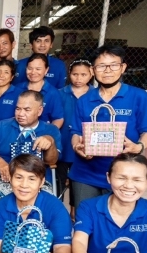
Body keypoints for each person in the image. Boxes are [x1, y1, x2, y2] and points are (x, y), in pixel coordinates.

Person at [69, 45, 147, 208]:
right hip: (86, 173)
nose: (108, 70)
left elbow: (145, 131)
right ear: (93, 70)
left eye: (113, 65)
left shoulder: (138, 97)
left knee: (116, 225)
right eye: (101, 66)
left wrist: (138, 147)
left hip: (124, 175)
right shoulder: (84, 100)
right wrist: (77, 146)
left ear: (123, 67)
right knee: (86, 222)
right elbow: (76, 131)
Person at [0, 90, 61, 239]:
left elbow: (52, 161)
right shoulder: (2, 126)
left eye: (27, 109)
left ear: (40, 110)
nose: (21, 113)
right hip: (2, 176)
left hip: (34, 180)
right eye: (18, 108)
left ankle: (34, 242)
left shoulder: (50, 130)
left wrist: (50, 143)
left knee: (47, 201)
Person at [57, 59, 93, 217]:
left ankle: (75, 215)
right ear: (69, 74)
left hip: (86, 148)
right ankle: (58, 213)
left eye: (83, 74)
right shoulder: (60, 93)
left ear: (91, 74)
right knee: (59, 181)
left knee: (79, 185)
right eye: (75, 74)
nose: (79, 78)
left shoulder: (95, 95)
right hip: (63, 145)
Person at [19, 53, 64, 128]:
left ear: (46, 70)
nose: (33, 72)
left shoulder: (53, 93)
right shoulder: (17, 89)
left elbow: (58, 119)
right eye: (30, 68)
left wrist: (48, 134)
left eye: (38, 69)